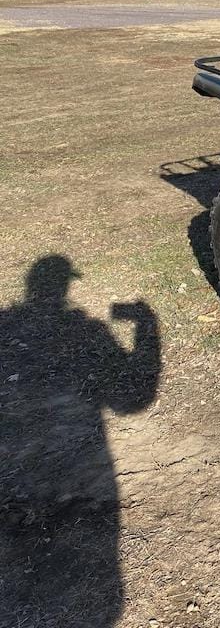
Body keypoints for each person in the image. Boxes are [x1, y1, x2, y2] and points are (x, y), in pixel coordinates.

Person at [0, 255, 160, 627]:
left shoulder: (6, 324)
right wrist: (146, 326)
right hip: (75, 488)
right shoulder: (86, 330)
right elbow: (134, 401)